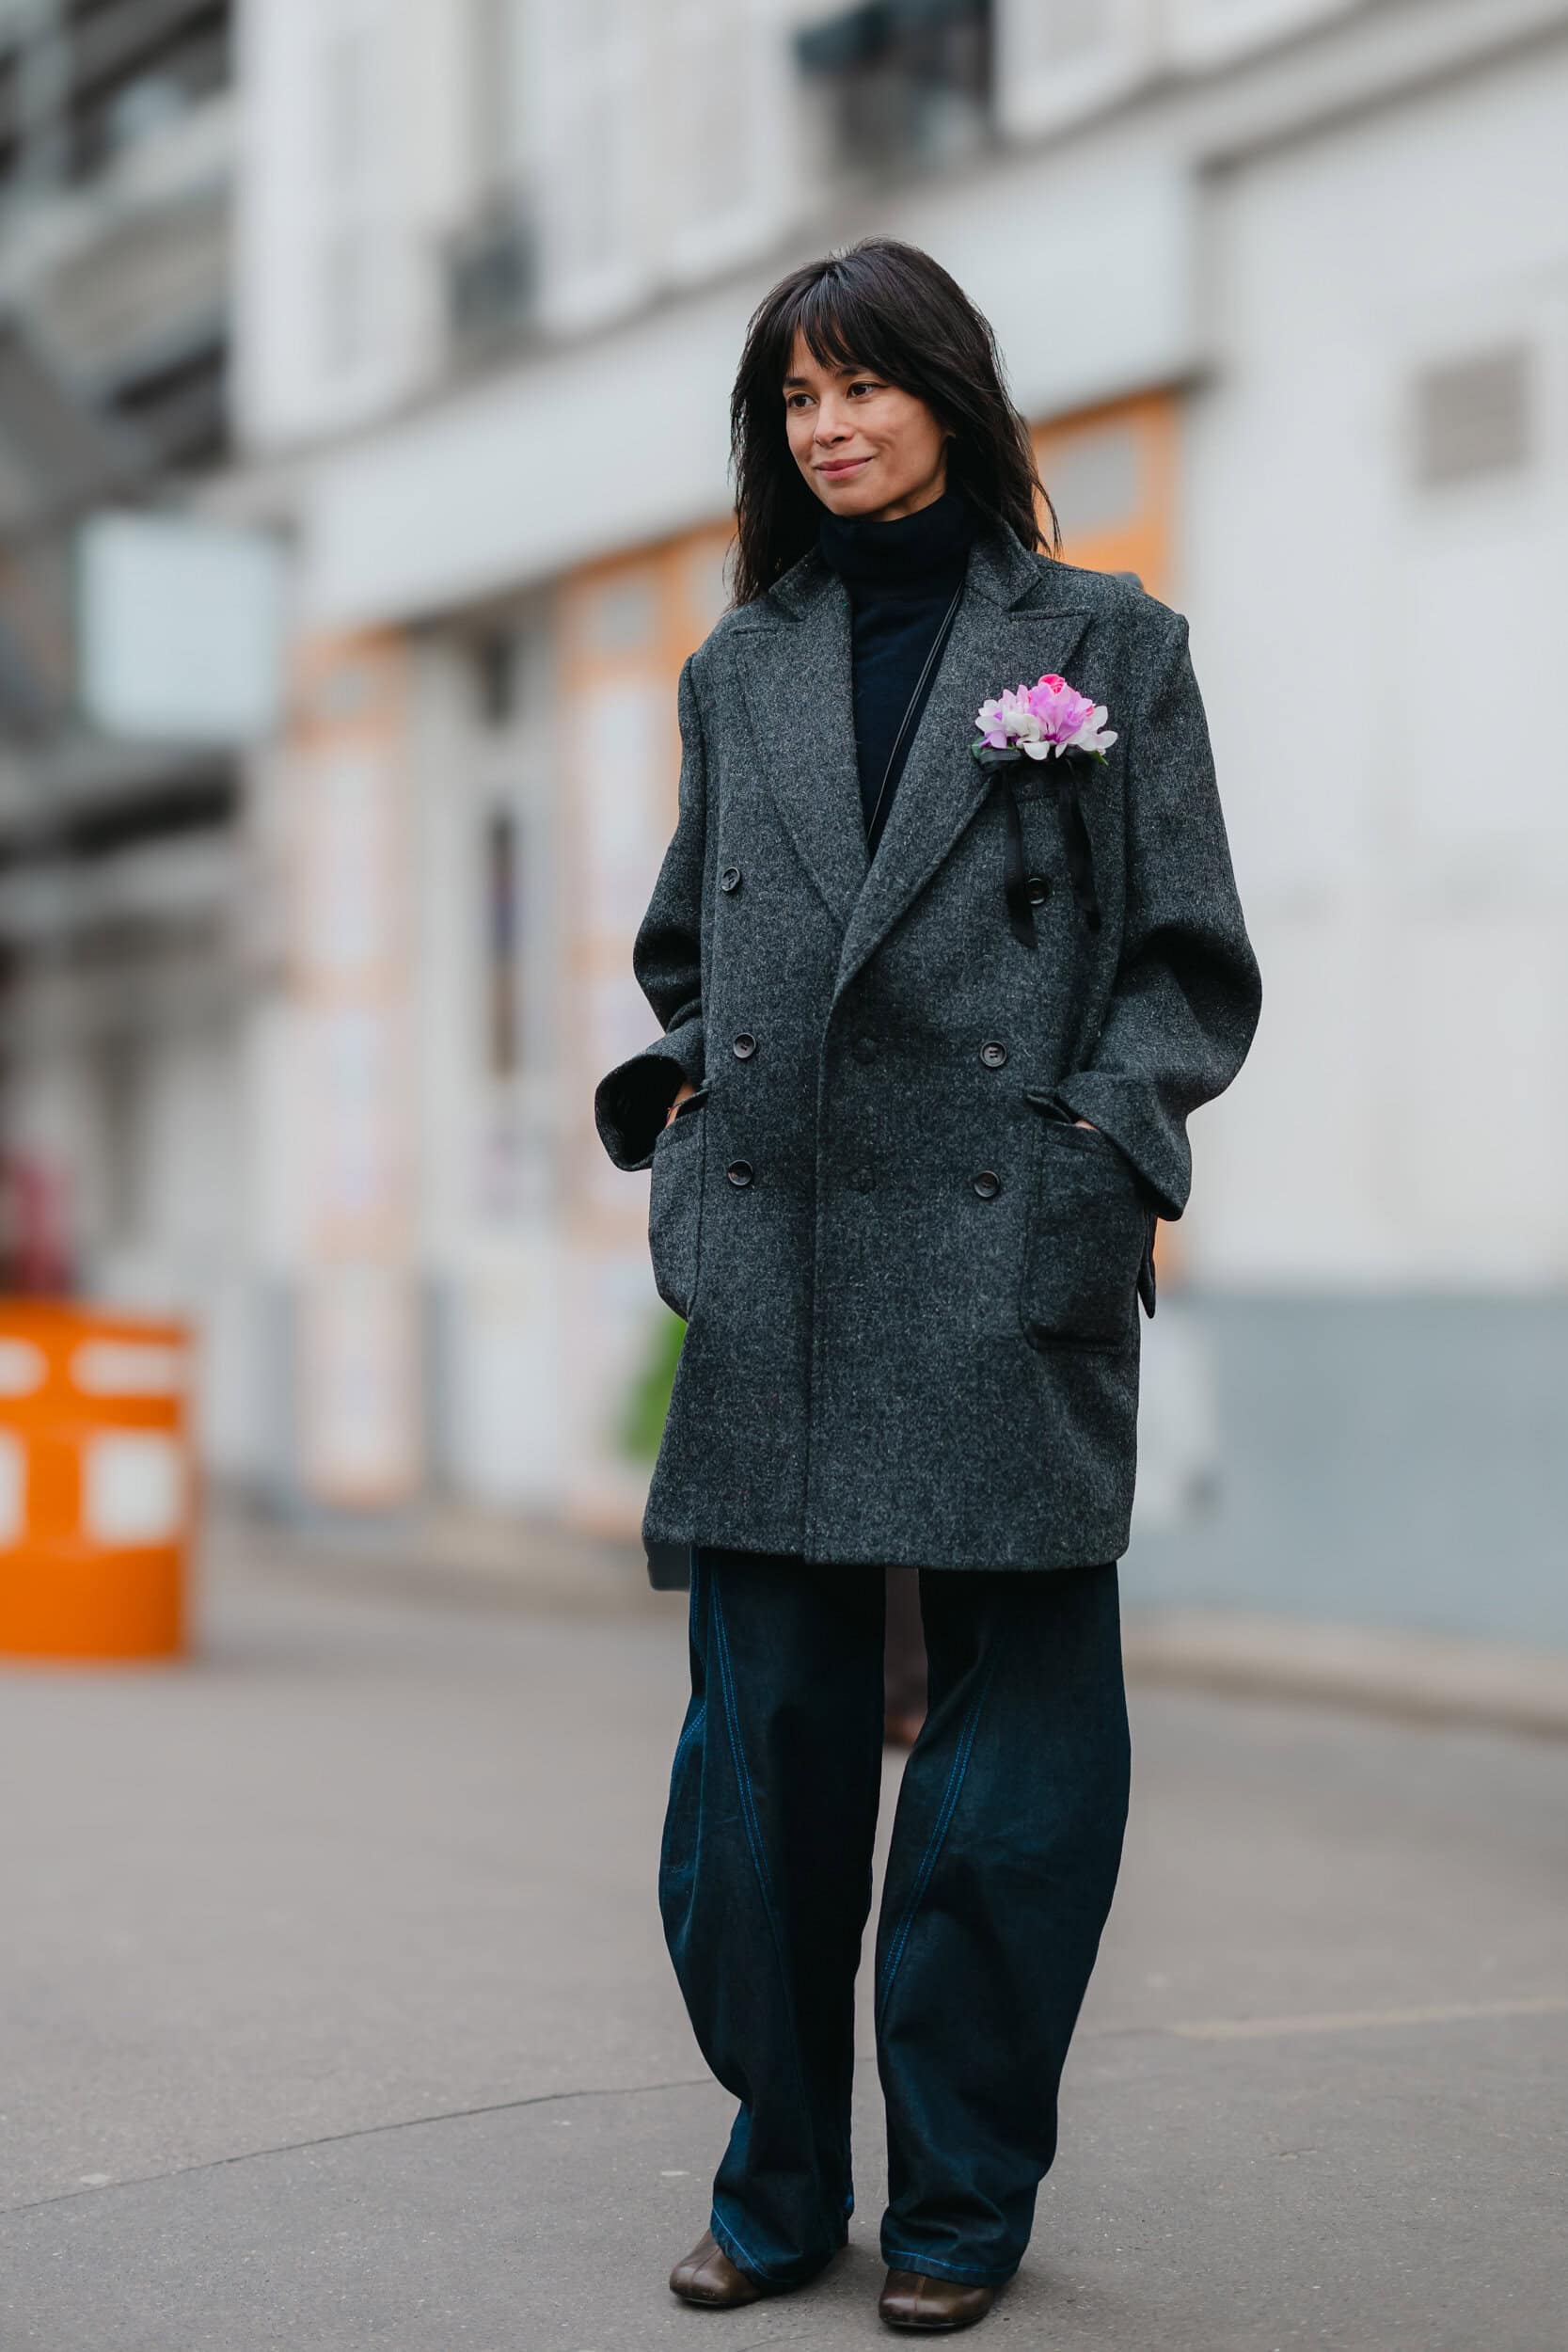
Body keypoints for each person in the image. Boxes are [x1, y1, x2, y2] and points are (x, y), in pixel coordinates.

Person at [594, 238, 1262, 2333]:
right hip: (780, 1258)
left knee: (1010, 1787)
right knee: (756, 1778)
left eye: (864, 384)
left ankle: (963, 2197)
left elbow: (1186, 962)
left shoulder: (1105, 644)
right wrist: (690, 1129)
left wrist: (1098, 1145)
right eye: (797, 397)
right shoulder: (742, 662)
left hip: (1005, 1246)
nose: (831, 424)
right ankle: (776, 2180)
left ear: (950, 397)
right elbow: (686, 945)